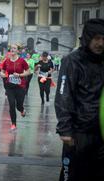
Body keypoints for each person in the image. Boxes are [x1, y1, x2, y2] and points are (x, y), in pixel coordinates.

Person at [55, 18, 104, 181]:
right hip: (78, 133)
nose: (100, 43)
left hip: (101, 132)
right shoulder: (72, 61)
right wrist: (65, 128)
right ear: (88, 38)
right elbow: (63, 95)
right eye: (97, 38)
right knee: (72, 175)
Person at [0, 43, 30, 130]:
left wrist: (20, 75)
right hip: (10, 87)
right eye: (11, 48)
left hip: (20, 86)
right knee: (12, 104)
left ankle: (22, 110)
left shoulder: (22, 61)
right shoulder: (6, 61)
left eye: (14, 48)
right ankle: (13, 124)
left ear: (18, 51)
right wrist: (3, 75)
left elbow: (28, 72)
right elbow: (2, 72)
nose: (12, 50)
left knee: (19, 105)